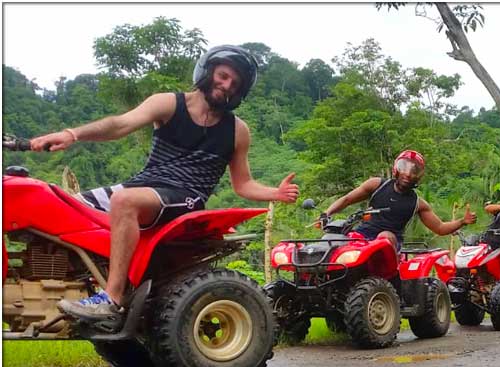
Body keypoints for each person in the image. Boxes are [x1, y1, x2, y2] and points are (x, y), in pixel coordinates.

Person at [30, 45, 300, 320]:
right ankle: (66, 284)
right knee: (59, 206)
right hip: (144, 185)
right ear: (208, 71)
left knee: (124, 201)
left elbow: (242, 184)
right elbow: (121, 124)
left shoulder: (237, 131)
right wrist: (72, 134)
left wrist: (275, 193)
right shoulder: (169, 103)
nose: (226, 85)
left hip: (186, 195)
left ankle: (111, 298)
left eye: (234, 83)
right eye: (222, 75)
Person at [321, 150, 477, 252]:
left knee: (385, 236)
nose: (407, 174)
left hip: (390, 242)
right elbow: (347, 199)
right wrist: (326, 213)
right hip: (361, 236)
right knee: (333, 240)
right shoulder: (376, 185)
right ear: (396, 168)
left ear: (419, 176)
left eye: (414, 171)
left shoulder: (418, 203)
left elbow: (440, 227)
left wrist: (463, 221)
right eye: (404, 167)